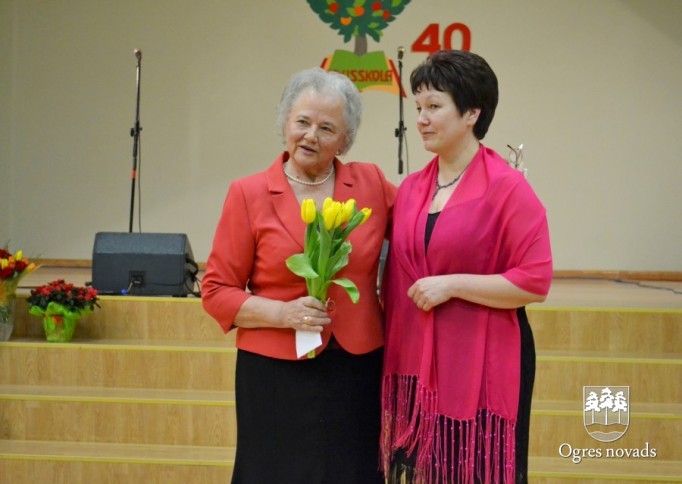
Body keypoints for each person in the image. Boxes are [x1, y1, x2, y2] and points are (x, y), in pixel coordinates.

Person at [202, 67, 396, 484]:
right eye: (302, 122)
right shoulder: (248, 193)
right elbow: (216, 291)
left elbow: (426, 229)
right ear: (285, 122)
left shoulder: (371, 183)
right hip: (274, 372)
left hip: (356, 368)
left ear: (345, 138)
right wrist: (282, 314)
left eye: (327, 128)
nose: (311, 136)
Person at [380, 50, 553, 483]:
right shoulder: (411, 188)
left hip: (484, 357)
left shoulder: (507, 187)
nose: (421, 119)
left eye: (434, 106)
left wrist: (453, 285)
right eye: (419, 107)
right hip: (418, 361)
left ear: (472, 112)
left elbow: (534, 281)